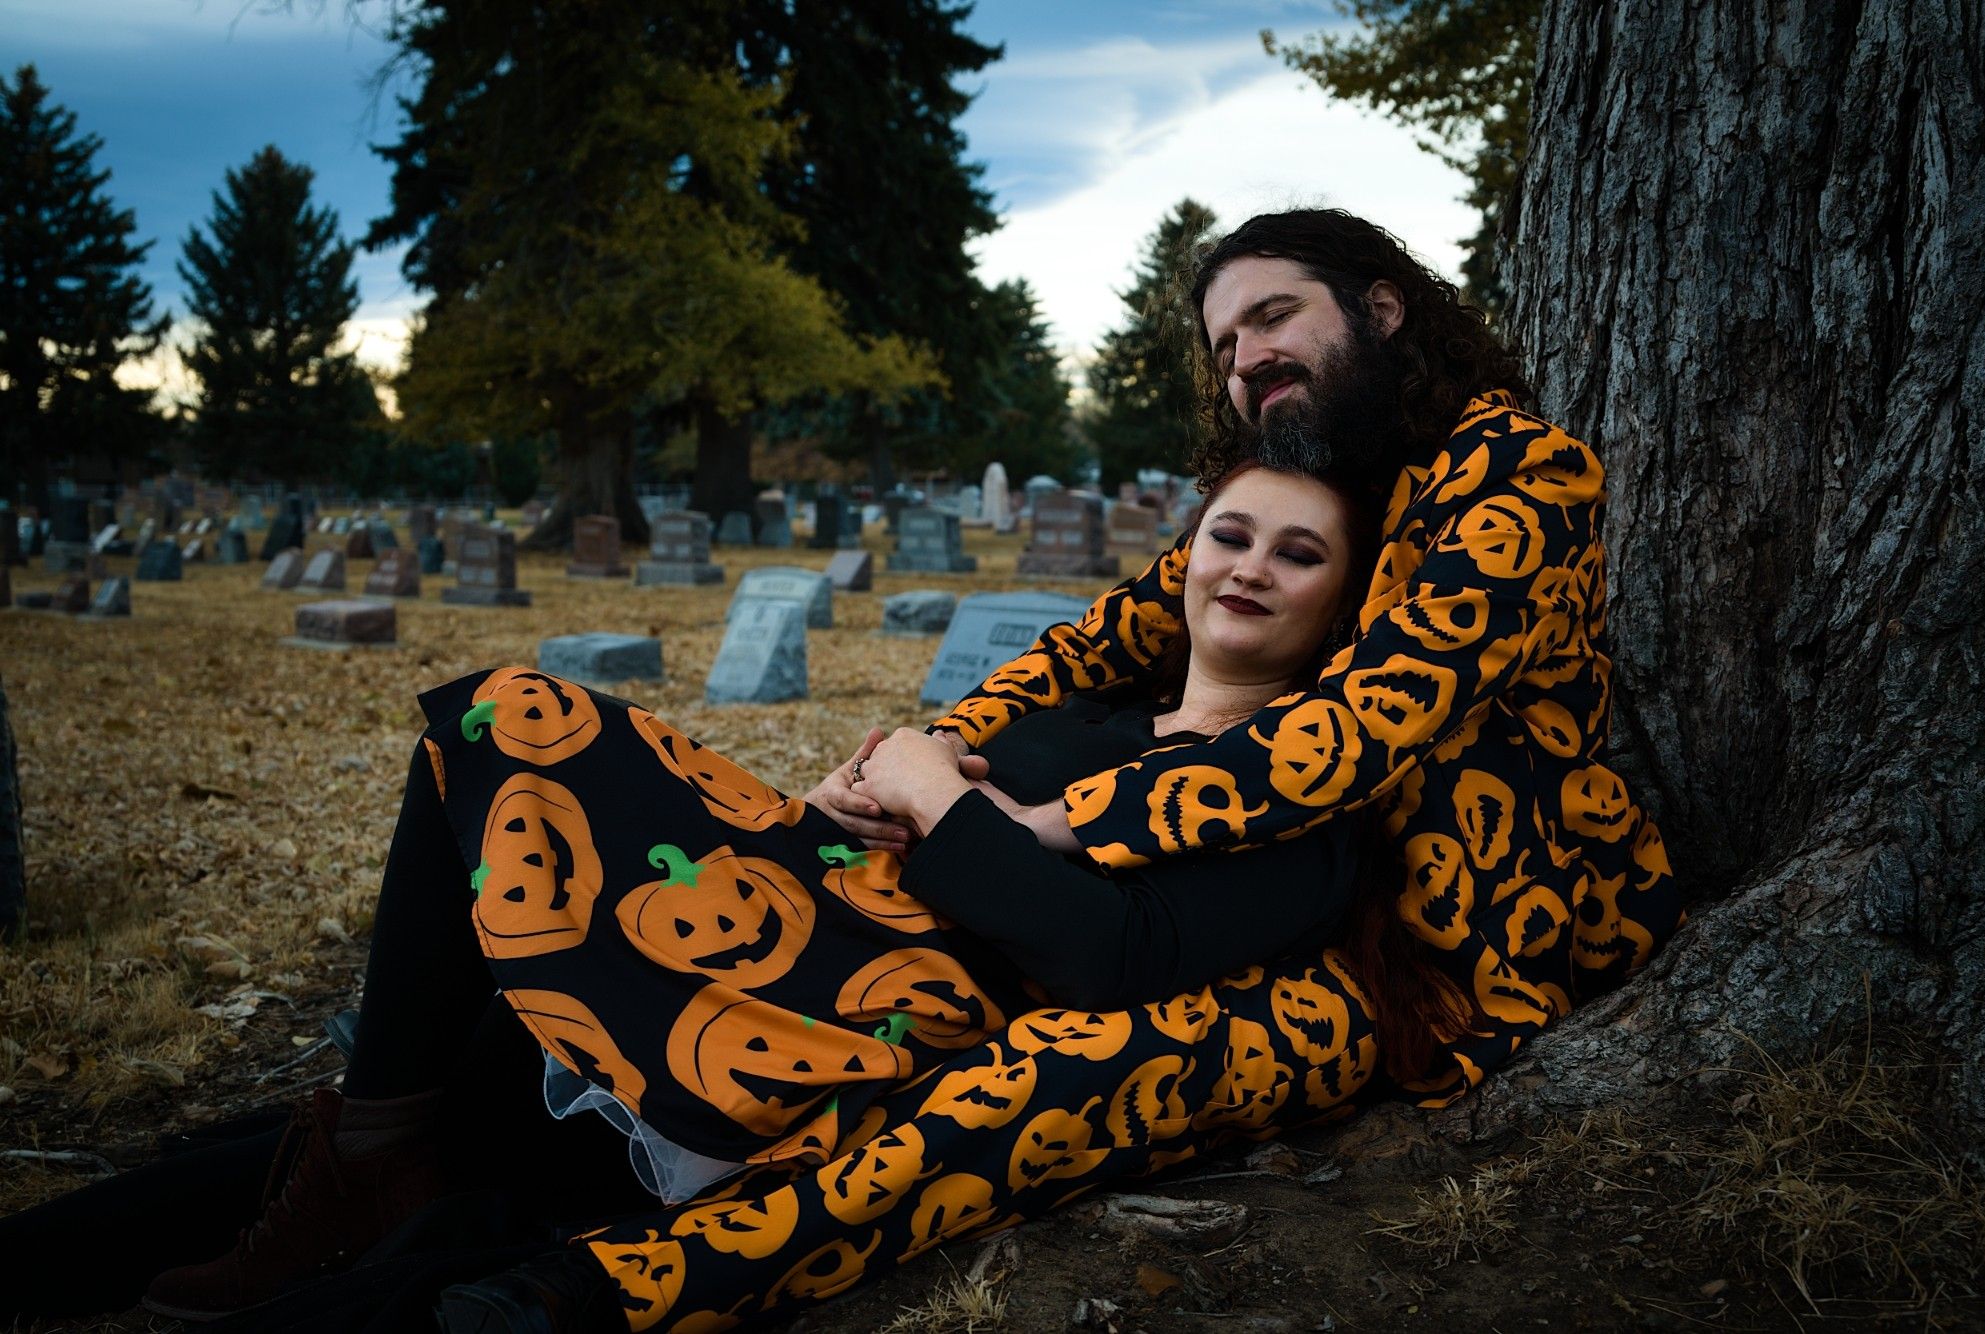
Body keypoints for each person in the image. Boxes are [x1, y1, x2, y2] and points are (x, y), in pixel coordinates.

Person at [490, 206, 1682, 1331]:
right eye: (1224, 343)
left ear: (1381, 309)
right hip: (1253, 884)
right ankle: (542, 1134)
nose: (1245, 357)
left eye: (1272, 316)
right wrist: (919, 755)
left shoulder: (1518, 476)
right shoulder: (1319, 482)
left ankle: (623, 1287)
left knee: (1067, 1074)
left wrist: (1050, 818)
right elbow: (1094, 643)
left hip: (1430, 961)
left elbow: (1351, 737)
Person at [0, 459, 1382, 1330]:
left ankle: (373, 1162)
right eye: (1229, 532)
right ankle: (367, 1148)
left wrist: (943, 799)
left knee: (489, 1126)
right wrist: (869, 790)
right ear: (1187, 554)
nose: (1248, 564)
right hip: (782, 895)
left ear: (1342, 606)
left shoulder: (1307, 795)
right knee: (499, 720)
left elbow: (1115, 956)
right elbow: (911, 805)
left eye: (1296, 551)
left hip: (857, 1004)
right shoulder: (1090, 714)